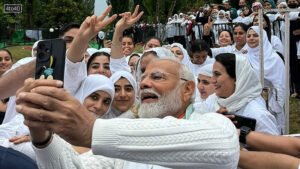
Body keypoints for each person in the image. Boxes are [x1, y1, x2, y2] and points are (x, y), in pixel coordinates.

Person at [16, 58, 239, 169]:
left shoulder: (210, 122)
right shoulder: (125, 132)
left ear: (188, 89)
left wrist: (91, 130)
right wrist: (42, 136)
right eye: (143, 78)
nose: (144, 84)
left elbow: (225, 147)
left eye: (157, 77)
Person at [213, 53, 280, 135]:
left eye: (217, 74)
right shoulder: (215, 102)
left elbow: (274, 146)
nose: (212, 80)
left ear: (238, 78)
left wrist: (242, 136)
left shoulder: (257, 114)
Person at [245, 26, 285, 133]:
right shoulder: (244, 58)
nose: (251, 38)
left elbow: (280, 84)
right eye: (248, 36)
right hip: (250, 102)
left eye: (255, 35)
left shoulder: (274, 59)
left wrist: (275, 105)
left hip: (270, 102)